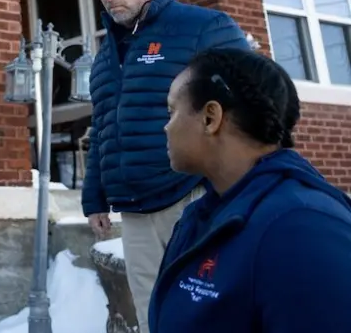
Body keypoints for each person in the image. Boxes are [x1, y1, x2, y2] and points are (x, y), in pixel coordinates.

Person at [81, 0, 250, 333]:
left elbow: (250, 98)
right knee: (152, 312)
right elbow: (104, 127)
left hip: (191, 196)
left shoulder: (200, 27)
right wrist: (95, 198)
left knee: (208, 308)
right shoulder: (106, 56)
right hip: (135, 210)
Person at [150, 48, 351, 332]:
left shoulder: (301, 228)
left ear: (210, 117)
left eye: (172, 111)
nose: (166, 127)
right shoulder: (201, 216)